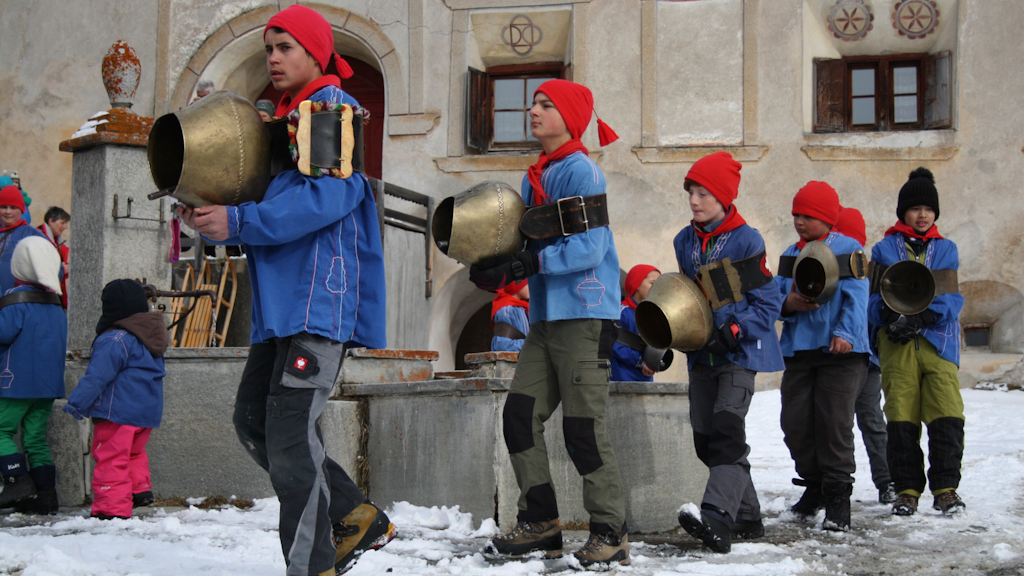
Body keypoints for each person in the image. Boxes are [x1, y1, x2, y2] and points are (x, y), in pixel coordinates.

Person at [175, 6, 392, 575]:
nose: (273, 56)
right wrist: (209, 206)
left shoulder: (331, 111)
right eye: (269, 47)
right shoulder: (285, 119)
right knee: (254, 422)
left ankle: (310, 565)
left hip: (319, 304)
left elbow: (330, 200)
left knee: (292, 437)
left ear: (318, 55)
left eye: (287, 46)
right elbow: (256, 197)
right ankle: (355, 516)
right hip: (278, 310)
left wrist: (240, 223)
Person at [469, 79, 629, 568]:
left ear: (571, 116)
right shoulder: (534, 176)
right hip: (545, 318)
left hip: (586, 313)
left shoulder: (582, 171)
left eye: (546, 104)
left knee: (583, 428)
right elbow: (528, 244)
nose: (533, 110)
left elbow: (590, 249)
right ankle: (541, 524)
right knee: (519, 416)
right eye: (533, 102)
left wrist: (525, 267)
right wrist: (495, 260)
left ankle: (611, 533)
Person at [671, 152, 784, 552]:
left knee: (726, 431)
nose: (694, 201)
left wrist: (735, 329)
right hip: (702, 356)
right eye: (691, 193)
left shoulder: (746, 239)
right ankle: (749, 517)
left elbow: (768, 303)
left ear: (723, 197)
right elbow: (688, 299)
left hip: (740, 354)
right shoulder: (684, 241)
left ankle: (718, 519)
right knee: (707, 440)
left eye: (703, 193)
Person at [868, 168, 966, 517]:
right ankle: (907, 491)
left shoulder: (946, 249)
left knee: (946, 415)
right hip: (898, 345)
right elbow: (875, 299)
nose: (922, 215)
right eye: (915, 208)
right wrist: (892, 320)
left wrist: (921, 317)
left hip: (938, 342)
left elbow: (952, 298)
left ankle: (946, 489)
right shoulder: (884, 249)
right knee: (900, 418)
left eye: (928, 208)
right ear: (903, 212)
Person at [775, 181, 869, 532]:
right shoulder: (790, 253)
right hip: (800, 350)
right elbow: (777, 296)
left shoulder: (850, 249)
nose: (800, 221)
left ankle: (837, 499)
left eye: (808, 216)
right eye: (797, 214)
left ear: (827, 218)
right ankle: (813, 486)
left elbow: (858, 297)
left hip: (841, 353)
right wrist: (788, 303)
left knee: (833, 424)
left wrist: (846, 333)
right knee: (795, 424)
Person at [63, 280, 166, 519]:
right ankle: (139, 491)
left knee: (110, 456)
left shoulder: (115, 339)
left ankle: (112, 509)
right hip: (146, 413)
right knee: (134, 453)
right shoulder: (150, 337)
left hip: (117, 412)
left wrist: (77, 403)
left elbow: (97, 377)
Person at [834, 207, 895, 505]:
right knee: (836, 424)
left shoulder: (872, 273)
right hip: (834, 361)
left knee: (871, 420)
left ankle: (886, 481)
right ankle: (832, 486)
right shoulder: (825, 271)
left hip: (867, 361)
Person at [0, 237, 66, 513]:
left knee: (1, 430)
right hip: (48, 386)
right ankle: (46, 496)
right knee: (35, 438)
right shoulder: (56, 306)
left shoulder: (15, 302)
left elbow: (3, 335)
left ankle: (17, 480)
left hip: (16, 382)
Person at [611, 264, 660, 382]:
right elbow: (615, 344)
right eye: (653, 283)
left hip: (645, 376)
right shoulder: (622, 313)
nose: (657, 288)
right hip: (622, 376)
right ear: (636, 283)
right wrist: (640, 362)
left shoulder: (652, 316)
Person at [0, 184, 46, 294]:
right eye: (3, 207)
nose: (8, 212)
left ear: (22, 210)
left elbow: (54, 268)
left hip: (21, 301)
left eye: (13, 207)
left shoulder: (33, 235)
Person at [37, 206, 71, 309]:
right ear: (51, 221)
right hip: (43, 297)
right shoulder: (38, 238)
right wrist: (61, 268)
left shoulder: (58, 242)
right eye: (62, 223)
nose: (65, 227)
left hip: (55, 295)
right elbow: (38, 265)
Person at [491, 280, 530, 353]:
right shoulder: (506, 310)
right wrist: (532, 345)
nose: (531, 287)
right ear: (517, 285)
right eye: (528, 284)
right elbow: (503, 346)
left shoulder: (522, 308)